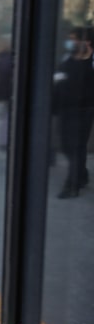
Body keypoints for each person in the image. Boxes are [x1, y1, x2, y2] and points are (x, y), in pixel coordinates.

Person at [53, 26, 94, 198]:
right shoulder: (68, 58)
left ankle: (72, 185)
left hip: (83, 110)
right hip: (66, 109)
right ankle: (81, 175)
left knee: (75, 147)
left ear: (87, 42)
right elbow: (59, 79)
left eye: (75, 39)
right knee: (69, 146)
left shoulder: (90, 62)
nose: (71, 42)